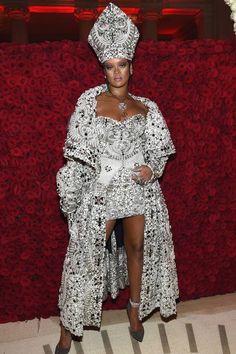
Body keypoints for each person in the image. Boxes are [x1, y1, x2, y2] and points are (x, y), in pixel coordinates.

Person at [55, 3, 179, 353]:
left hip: (140, 190)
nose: (116, 72)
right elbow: (77, 153)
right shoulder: (89, 103)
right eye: (109, 67)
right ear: (103, 69)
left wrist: (152, 169)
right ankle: (69, 324)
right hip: (104, 190)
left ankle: (135, 310)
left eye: (121, 65)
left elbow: (159, 150)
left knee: (139, 247)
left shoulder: (148, 107)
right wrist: (75, 191)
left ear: (131, 66)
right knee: (88, 253)